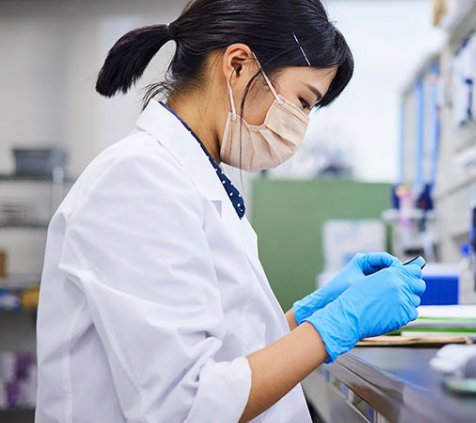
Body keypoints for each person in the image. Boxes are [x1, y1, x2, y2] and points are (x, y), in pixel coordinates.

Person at [34, 1, 426, 421]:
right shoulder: (136, 182)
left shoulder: (193, 177)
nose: (301, 125)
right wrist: (333, 327)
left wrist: (298, 319)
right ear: (238, 65)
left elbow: (224, 350)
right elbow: (184, 405)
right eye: (303, 101)